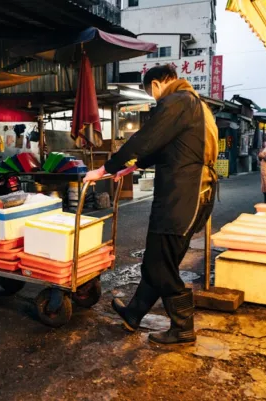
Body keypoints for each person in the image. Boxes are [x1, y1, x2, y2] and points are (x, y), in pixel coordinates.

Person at [83, 65, 218, 345]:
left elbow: (146, 139)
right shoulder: (193, 103)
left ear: (157, 84)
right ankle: (133, 314)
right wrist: (131, 167)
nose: (153, 97)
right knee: (160, 262)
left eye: (150, 92)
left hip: (182, 196)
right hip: (191, 193)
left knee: (160, 266)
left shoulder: (177, 100)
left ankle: (182, 328)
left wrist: (106, 168)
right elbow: (167, 148)